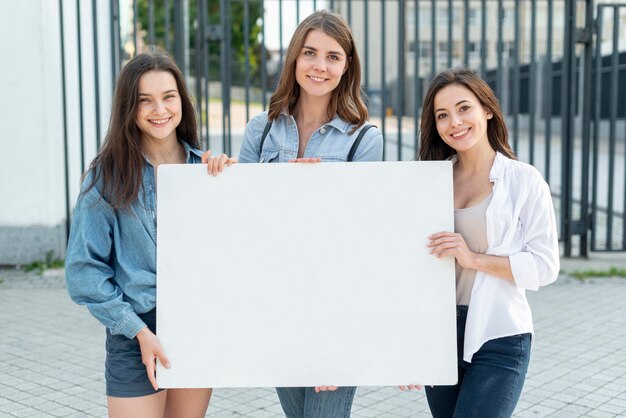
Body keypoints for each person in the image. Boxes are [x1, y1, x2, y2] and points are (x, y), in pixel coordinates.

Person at [65, 48, 232, 417]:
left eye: (168, 97)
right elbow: (83, 271)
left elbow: (236, 250)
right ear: (129, 108)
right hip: (134, 332)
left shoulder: (207, 173)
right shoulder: (106, 178)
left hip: (194, 327)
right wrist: (138, 330)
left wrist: (230, 184)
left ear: (182, 103)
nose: (160, 110)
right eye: (145, 101)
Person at [237, 10, 383, 418]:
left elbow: (364, 230)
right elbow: (241, 219)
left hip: (336, 303)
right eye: (310, 53)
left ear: (347, 66)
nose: (320, 66)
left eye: (333, 56)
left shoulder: (365, 140)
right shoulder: (260, 130)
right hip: (276, 299)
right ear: (294, 60)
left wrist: (322, 198)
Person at [414, 68, 559, 417]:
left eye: (465, 108)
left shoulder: (523, 180)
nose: (455, 122)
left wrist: (473, 258)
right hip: (439, 332)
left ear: (487, 110)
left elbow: (545, 266)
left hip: (499, 334)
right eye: (443, 115)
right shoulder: (429, 180)